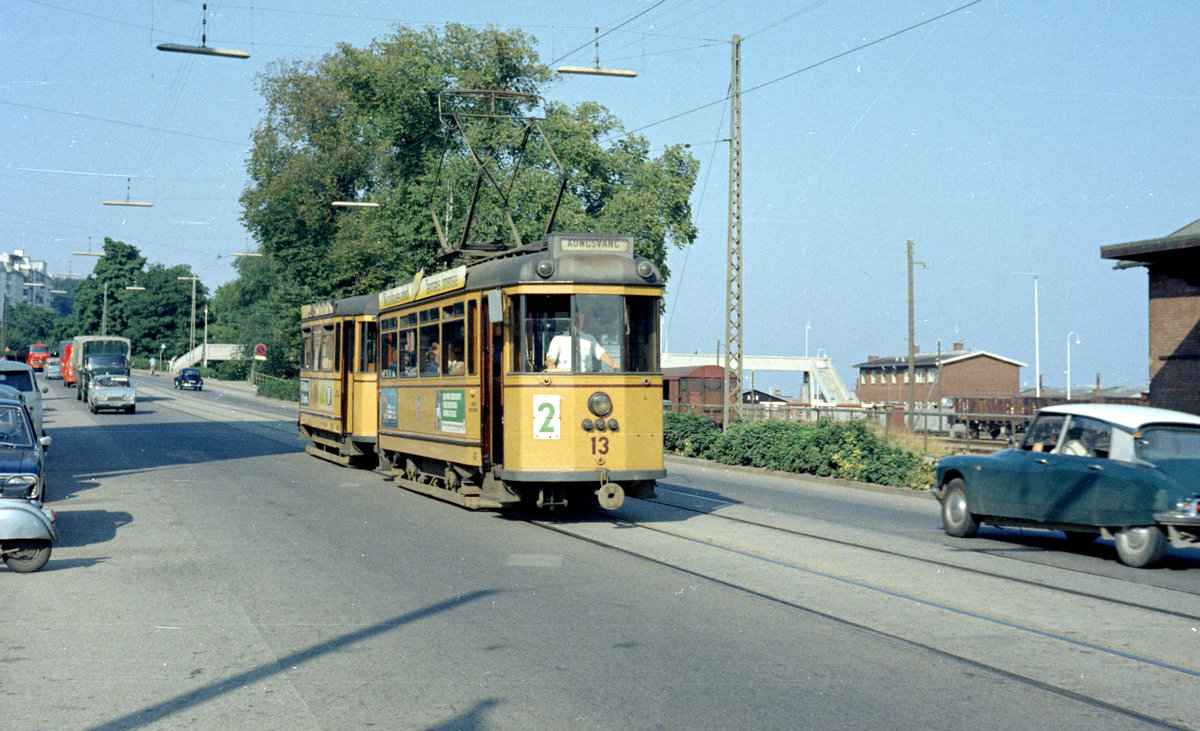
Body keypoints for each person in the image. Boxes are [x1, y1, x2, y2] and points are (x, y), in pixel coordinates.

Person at [544, 314, 618, 372]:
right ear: (570, 321)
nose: (577, 322)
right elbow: (550, 358)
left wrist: (613, 365)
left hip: (585, 378)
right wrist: (550, 365)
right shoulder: (558, 339)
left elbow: (602, 354)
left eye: (580, 319)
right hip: (565, 378)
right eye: (575, 319)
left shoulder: (589, 338)